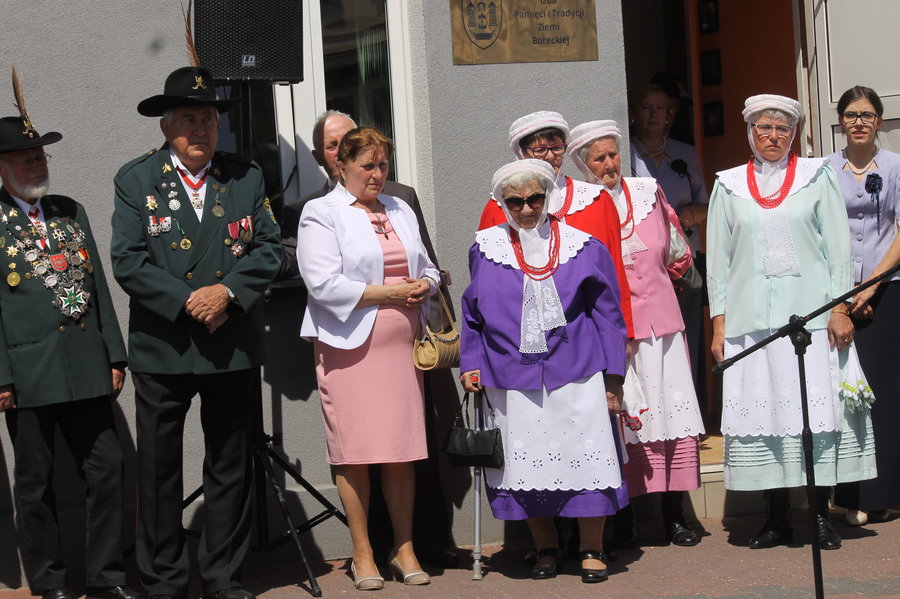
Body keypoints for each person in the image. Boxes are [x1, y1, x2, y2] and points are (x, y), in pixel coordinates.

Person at [110, 66, 282, 599]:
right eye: (189, 120)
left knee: (228, 467)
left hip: (229, 343)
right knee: (159, 470)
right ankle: (163, 577)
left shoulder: (245, 176)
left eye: (208, 119)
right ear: (166, 127)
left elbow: (270, 248)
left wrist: (226, 294)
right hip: (166, 346)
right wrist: (189, 299)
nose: (201, 131)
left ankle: (222, 578)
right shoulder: (136, 180)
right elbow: (128, 260)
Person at [280, 109, 458, 567]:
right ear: (342, 166)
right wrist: (392, 292)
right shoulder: (321, 213)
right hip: (348, 350)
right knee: (355, 452)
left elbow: (428, 263)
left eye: (383, 166)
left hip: (402, 349)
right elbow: (322, 284)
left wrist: (426, 283)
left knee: (402, 451)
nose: (378, 175)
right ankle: (363, 553)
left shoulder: (398, 207)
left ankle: (405, 549)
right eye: (368, 166)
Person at [707, 94, 877, 550]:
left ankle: (819, 515)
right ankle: (777, 518)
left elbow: (838, 248)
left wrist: (840, 309)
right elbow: (719, 264)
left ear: (794, 133)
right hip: (751, 327)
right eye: (764, 128)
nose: (773, 137)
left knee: (812, 416)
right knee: (769, 418)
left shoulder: (816, 176)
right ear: (750, 132)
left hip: (813, 320)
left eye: (782, 129)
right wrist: (719, 325)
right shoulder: (728, 186)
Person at [0, 80, 141, 599]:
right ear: (2, 166)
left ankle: (107, 578)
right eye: (25, 159)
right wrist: (0, 377)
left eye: (40, 157)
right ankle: (50, 581)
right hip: (27, 373)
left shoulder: (69, 210)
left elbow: (98, 287)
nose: (37, 166)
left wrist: (114, 354)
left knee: (107, 472)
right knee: (35, 486)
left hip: (86, 365)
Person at [460, 159, 628, 584]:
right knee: (526, 464)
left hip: (579, 371)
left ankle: (592, 547)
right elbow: (473, 315)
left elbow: (608, 315)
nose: (527, 209)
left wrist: (613, 377)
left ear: (548, 197)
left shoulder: (584, 246)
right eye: (515, 202)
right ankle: (546, 547)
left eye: (535, 198)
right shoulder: (484, 247)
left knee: (586, 458)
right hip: (510, 375)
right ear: (502, 204)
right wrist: (471, 364)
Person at [568, 120, 705, 547]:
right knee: (622, 423)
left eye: (613, 155)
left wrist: (668, 277)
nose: (609, 165)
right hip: (613, 336)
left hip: (661, 327)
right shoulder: (577, 208)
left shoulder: (648, 192)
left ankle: (675, 515)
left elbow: (678, 250)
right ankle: (623, 520)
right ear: (582, 165)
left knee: (670, 416)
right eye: (599, 158)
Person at [477, 111, 634, 338]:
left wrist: (623, 332)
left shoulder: (596, 200)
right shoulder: (499, 207)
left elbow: (614, 272)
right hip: (522, 330)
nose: (550, 156)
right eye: (540, 150)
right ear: (521, 153)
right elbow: (488, 283)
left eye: (557, 147)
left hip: (590, 328)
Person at [828, 85, 900, 526]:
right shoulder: (824, 169)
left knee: (883, 393)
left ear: (879, 121)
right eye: (852, 114)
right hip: (837, 292)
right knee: (846, 396)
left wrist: (871, 286)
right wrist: (843, 294)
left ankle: (882, 496)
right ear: (841, 121)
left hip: (887, 286)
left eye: (867, 114)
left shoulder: (895, 167)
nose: (859, 121)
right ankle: (847, 494)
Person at [630, 84, 710, 414]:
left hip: (683, 258)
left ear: (670, 116)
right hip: (642, 261)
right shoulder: (628, 153)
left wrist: (689, 214)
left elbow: (707, 202)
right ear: (635, 114)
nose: (653, 114)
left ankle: (688, 412)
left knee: (686, 335)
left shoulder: (685, 153)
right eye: (647, 107)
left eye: (660, 109)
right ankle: (652, 411)